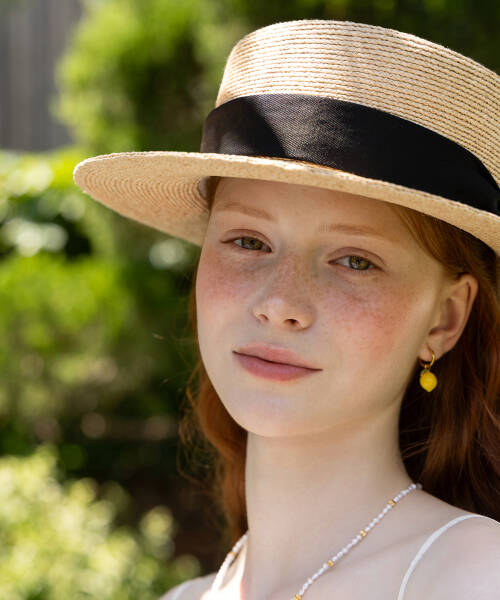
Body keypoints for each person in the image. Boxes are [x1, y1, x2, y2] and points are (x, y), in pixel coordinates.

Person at [73, 18, 500, 600]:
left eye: (355, 260)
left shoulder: (474, 575)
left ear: (445, 318)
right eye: (248, 242)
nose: (280, 305)